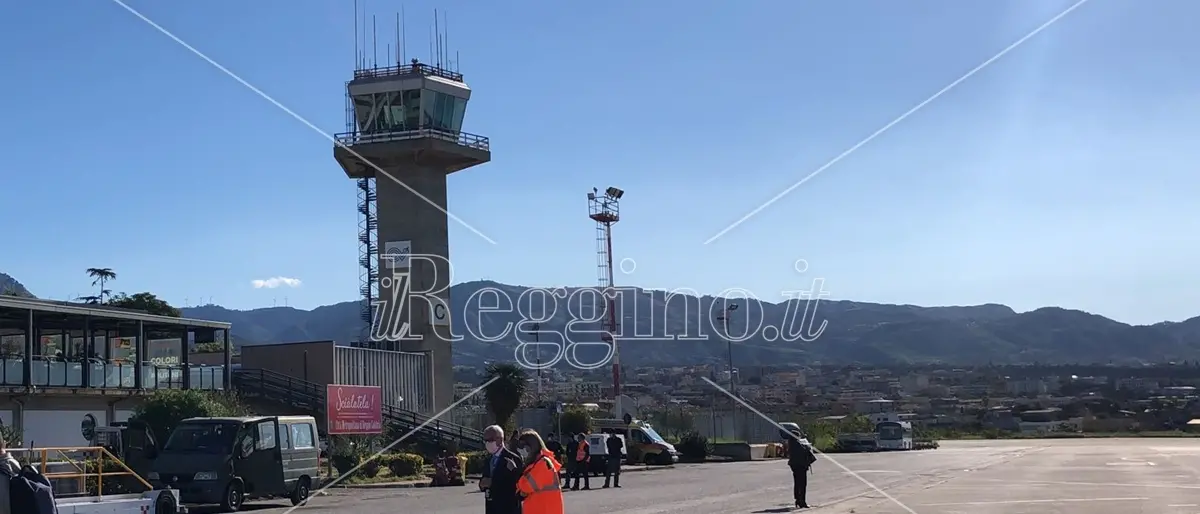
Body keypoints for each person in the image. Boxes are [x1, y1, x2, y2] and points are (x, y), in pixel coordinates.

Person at [514, 430, 565, 514]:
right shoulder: (538, 463)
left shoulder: (543, 464)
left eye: (523, 446)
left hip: (543, 509)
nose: (521, 450)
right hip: (542, 508)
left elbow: (526, 487)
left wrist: (518, 479)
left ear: (531, 446)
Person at [480, 425, 523, 514]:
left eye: (490, 440)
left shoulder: (513, 458)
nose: (487, 443)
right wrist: (482, 484)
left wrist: (493, 483)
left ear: (499, 440)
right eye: (485, 440)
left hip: (507, 508)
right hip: (491, 507)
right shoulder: (488, 460)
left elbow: (518, 484)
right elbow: (485, 480)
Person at [786, 430, 816, 509]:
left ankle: (798, 500)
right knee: (802, 484)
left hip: (795, 466)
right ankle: (802, 501)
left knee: (797, 483)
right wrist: (808, 446)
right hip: (800, 466)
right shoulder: (797, 444)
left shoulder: (791, 444)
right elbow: (804, 451)